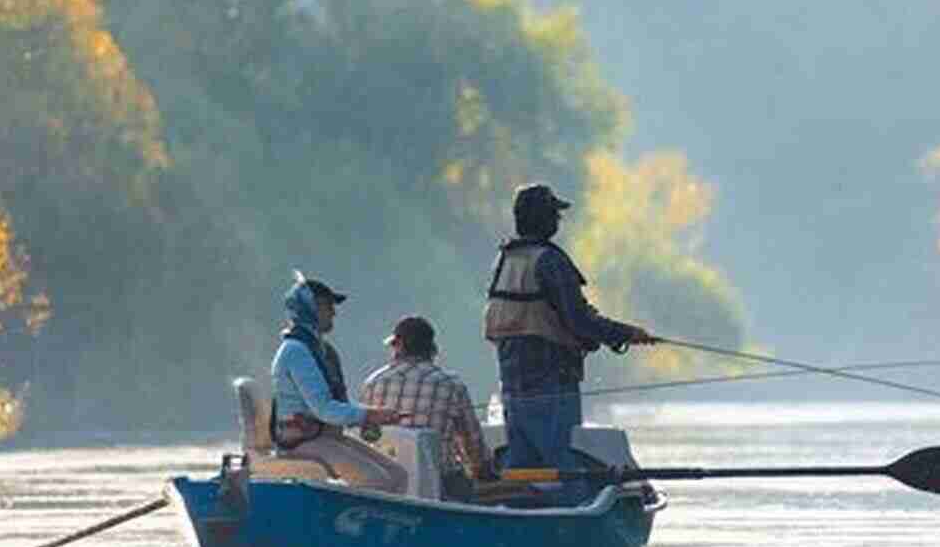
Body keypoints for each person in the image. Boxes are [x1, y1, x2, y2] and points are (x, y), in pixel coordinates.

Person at [483, 184, 656, 504]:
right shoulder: (550, 261)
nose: (558, 222)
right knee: (562, 455)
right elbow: (579, 321)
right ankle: (571, 517)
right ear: (547, 220)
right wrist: (626, 333)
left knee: (522, 460)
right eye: (556, 215)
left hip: (510, 373)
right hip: (550, 371)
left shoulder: (506, 258)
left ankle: (517, 513)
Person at [270, 272, 407, 494]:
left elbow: (338, 402)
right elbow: (324, 409)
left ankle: (391, 528)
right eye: (326, 306)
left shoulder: (321, 350)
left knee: (399, 475)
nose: (334, 312)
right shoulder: (296, 351)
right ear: (308, 308)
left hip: (324, 436)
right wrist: (370, 415)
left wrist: (374, 414)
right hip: (300, 442)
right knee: (378, 481)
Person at [361, 316, 495, 501]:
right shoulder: (451, 384)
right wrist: (482, 471)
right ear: (432, 348)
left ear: (397, 346)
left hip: (386, 476)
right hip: (439, 480)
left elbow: (364, 433)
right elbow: (473, 444)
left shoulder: (372, 383)